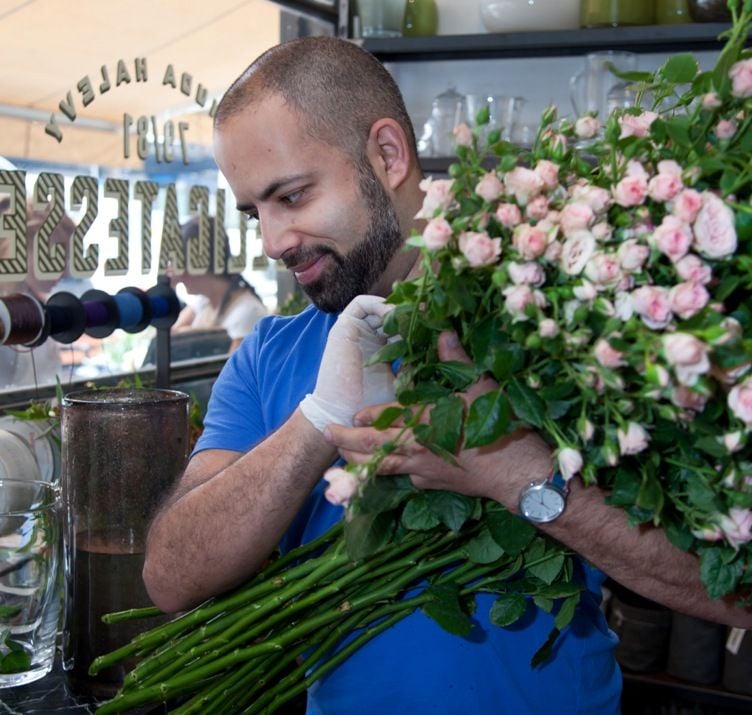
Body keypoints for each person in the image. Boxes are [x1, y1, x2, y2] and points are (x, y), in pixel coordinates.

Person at [143, 37, 752, 714]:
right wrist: (318, 419)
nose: (273, 241)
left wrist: (519, 474)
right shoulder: (269, 352)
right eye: (255, 212)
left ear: (388, 155)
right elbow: (170, 575)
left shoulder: (558, 314)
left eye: (291, 195)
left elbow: (730, 587)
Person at [169, 215, 267, 352]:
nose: (176, 271)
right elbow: (168, 336)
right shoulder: (204, 303)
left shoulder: (248, 312)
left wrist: (191, 331)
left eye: (179, 263)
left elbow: (231, 372)